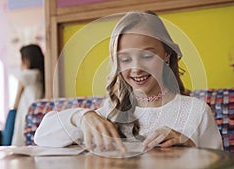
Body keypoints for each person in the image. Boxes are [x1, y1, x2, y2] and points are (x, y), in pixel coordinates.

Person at [34, 11, 222, 152]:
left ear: (167, 54)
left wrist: (190, 149)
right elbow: (42, 136)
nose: (136, 69)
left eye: (147, 56)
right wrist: (82, 117)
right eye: (125, 60)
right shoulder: (111, 112)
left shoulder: (196, 112)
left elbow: (221, 164)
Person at [11, 44, 45, 146]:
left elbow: (18, 92)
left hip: (25, 109)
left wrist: (14, 107)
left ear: (27, 60)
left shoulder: (28, 74)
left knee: (22, 135)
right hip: (36, 110)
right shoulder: (41, 74)